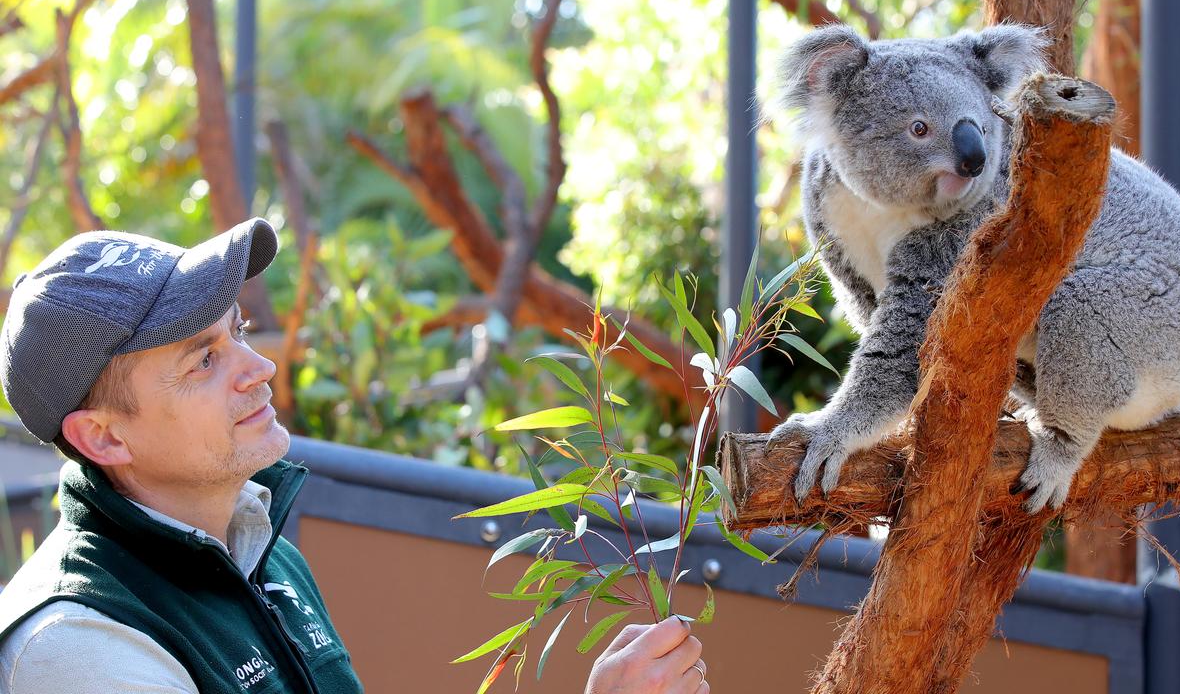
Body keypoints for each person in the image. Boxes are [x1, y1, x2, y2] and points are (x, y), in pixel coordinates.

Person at [0, 219, 709, 693]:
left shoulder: (260, 552)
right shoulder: (76, 648)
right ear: (105, 437)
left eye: (238, 330)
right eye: (203, 359)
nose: (257, 368)